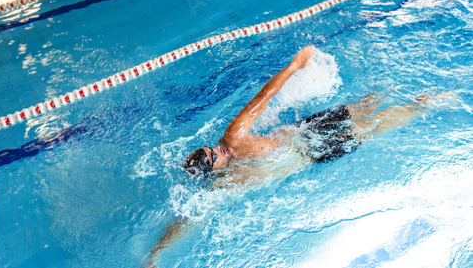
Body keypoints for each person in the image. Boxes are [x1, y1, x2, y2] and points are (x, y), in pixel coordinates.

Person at [184, 45, 446, 185]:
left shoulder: (232, 139)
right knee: (375, 126)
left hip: (304, 131)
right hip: (311, 152)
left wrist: (294, 66)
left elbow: (263, 97)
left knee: (362, 106)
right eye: (214, 158)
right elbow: (185, 221)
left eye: (212, 148)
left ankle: (393, 81)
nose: (219, 150)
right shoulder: (229, 182)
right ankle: (425, 104)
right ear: (213, 171)